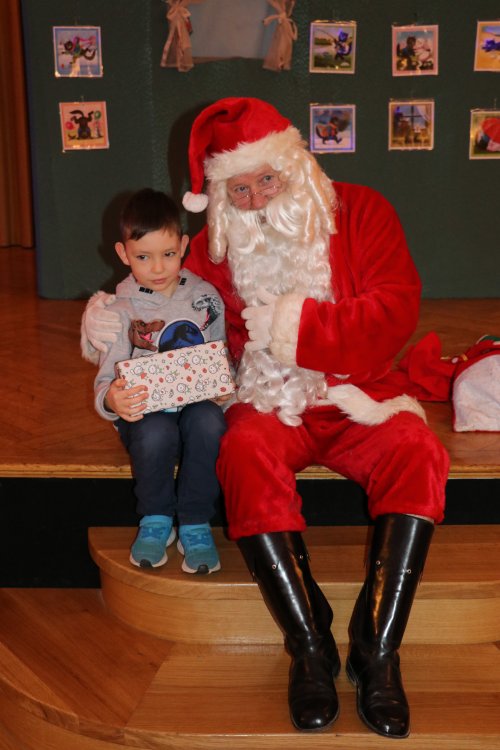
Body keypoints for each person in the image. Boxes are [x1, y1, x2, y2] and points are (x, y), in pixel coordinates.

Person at [81, 98, 449, 738]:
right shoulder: (218, 246)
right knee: (243, 451)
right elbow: (158, 291)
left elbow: (396, 307)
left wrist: (296, 328)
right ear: (221, 197)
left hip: (359, 392)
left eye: (267, 180)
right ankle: (310, 646)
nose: (255, 200)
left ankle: (378, 650)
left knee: (419, 452)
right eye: (239, 189)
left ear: (295, 165)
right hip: (267, 398)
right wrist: (105, 322)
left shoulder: (363, 211)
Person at [93, 188, 228, 574]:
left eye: (168, 254)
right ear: (123, 254)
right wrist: (111, 400)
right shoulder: (120, 309)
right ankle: (156, 518)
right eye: (143, 256)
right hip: (146, 417)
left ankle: (195, 522)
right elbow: (106, 380)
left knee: (209, 422)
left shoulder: (205, 298)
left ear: (183, 246)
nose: (157, 267)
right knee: (156, 431)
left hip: (196, 407)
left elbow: (221, 357)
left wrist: (224, 389)